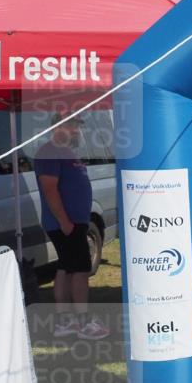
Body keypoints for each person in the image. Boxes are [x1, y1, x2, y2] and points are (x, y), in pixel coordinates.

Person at [35, 114, 109, 340]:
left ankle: (65, 322)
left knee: (66, 269)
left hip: (74, 222)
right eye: (74, 126)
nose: (78, 130)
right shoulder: (49, 151)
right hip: (66, 224)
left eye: (78, 126)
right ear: (59, 127)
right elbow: (50, 189)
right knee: (79, 271)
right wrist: (65, 222)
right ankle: (83, 323)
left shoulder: (67, 152)